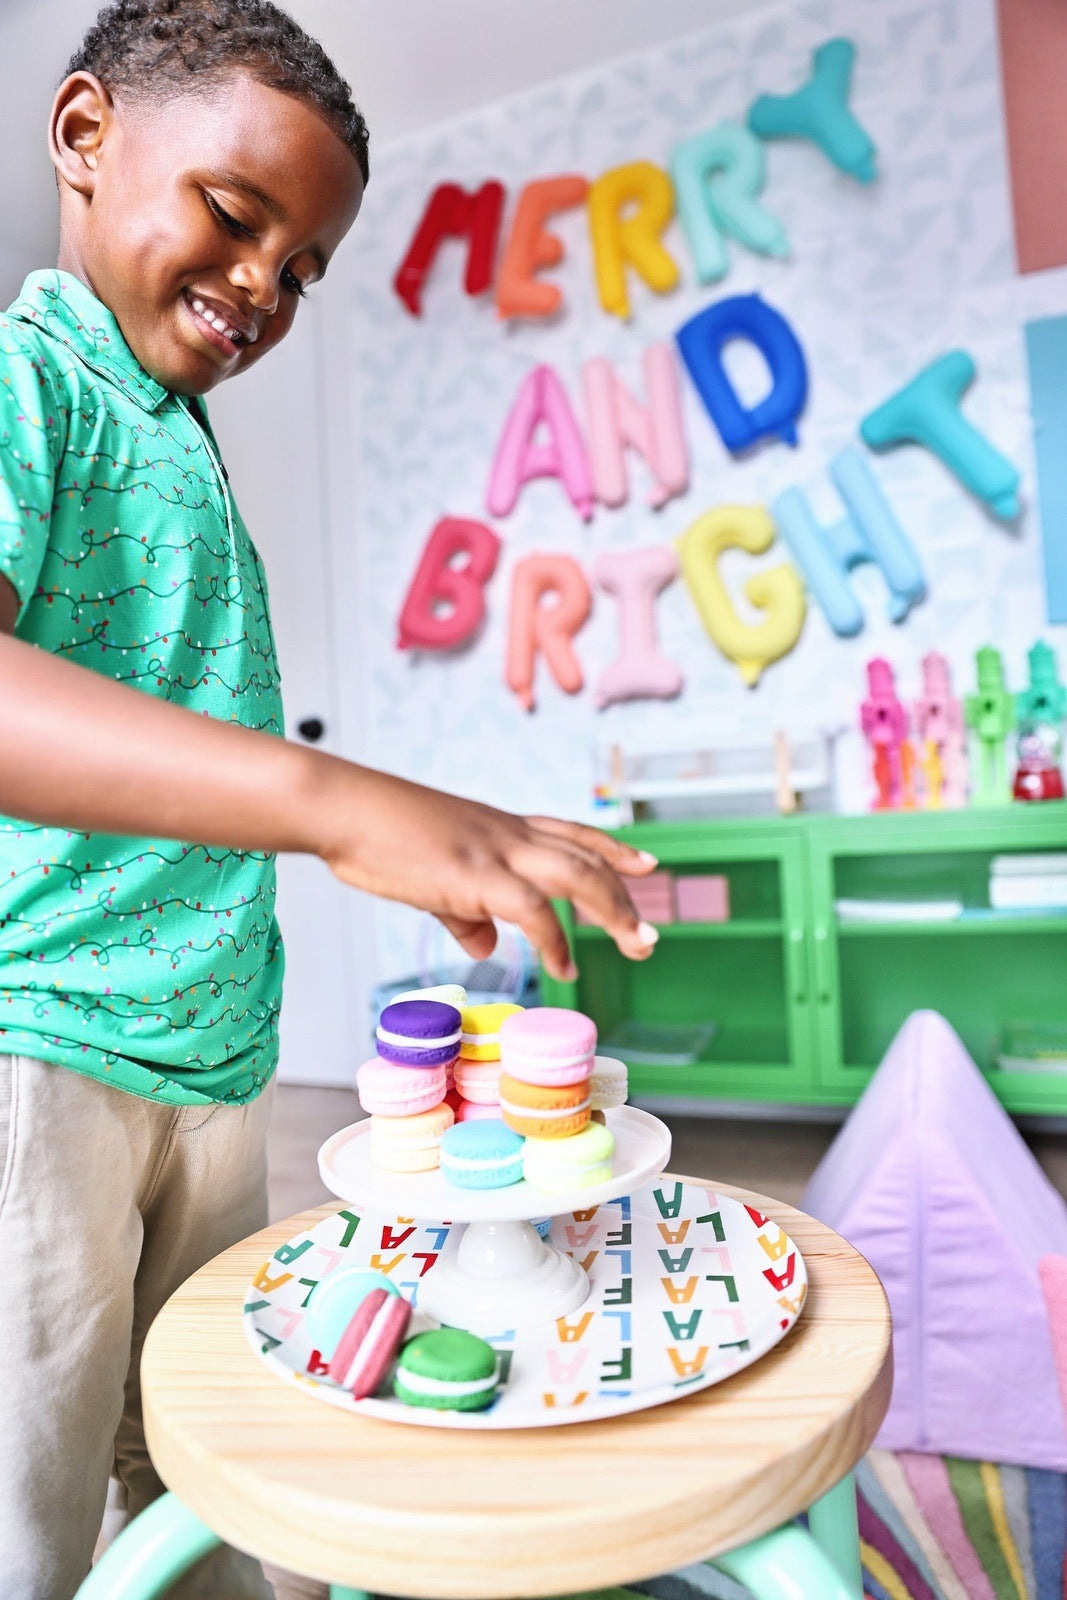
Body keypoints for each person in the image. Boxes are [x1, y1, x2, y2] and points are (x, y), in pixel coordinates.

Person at [0, 3, 659, 1598]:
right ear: (85, 137)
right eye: (237, 218)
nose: (262, 287)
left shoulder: (181, 437)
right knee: (35, 1507)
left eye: (301, 269)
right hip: (43, 1055)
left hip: (217, 1051)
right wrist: (329, 798)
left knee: (219, 1463)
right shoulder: (29, 383)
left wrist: (410, 818)